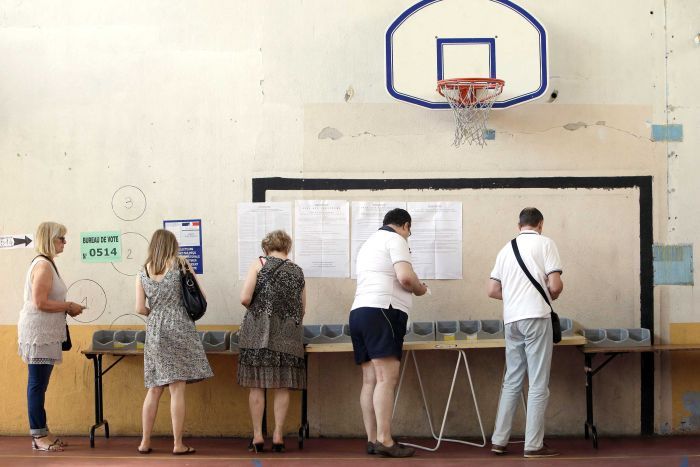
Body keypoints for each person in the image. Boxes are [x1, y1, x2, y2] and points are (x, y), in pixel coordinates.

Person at [349, 208, 428, 458]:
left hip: (359, 312)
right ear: (405, 225)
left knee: (370, 380)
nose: (408, 236)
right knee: (386, 379)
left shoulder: (368, 243)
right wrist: (420, 288)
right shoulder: (396, 239)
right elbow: (405, 278)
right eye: (410, 231)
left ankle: (373, 439)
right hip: (383, 310)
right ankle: (385, 439)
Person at [487, 207, 564, 458]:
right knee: (538, 382)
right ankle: (533, 444)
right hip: (536, 317)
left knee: (512, 379)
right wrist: (549, 294)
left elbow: (492, 290)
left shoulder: (505, 249)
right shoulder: (545, 244)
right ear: (540, 224)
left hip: (512, 321)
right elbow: (555, 284)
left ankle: (499, 440)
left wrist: (515, 300)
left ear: (519, 225)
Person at [135, 229, 213, 456]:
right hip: (180, 326)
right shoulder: (181, 264)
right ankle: (178, 444)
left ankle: (144, 442)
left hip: (155, 329)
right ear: (173, 245)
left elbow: (139, 308)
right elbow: (202, 296)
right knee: (176, 389)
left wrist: (156, 312)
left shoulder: (142, 272)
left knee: (154, 388)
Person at [17, 222, 85, 452]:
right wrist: (68, 305)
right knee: (37, 383)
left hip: (44, 332)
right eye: (61, 238)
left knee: (40, 383)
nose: (65, 242)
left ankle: (42, 430)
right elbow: (40, 302)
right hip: (39, 333)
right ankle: (38, 435)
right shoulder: (44, 266)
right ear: (50, 240)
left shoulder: (47, 263)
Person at [238, 229, 306, 453]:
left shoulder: (259, 264)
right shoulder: (298, 271)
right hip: (288, 335)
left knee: (257, 385)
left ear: (266, 248)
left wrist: (260, 310)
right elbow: (302, 309)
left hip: (258, 333)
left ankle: (258, 436)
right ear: (287, 247)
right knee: (282, 385)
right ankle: (278, 436)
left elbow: (245, 297)